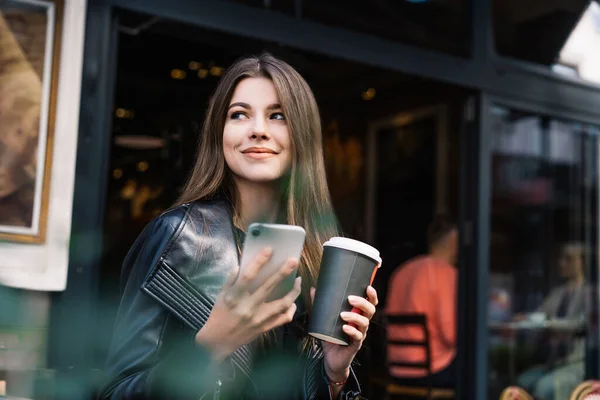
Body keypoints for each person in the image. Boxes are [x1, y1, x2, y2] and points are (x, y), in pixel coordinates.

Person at [98, 54, 378, 400]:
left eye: (278, 115)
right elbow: (113, 394)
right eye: (239, 114)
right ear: (220, 135)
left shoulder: (314, 259)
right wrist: (210, 346)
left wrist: (334, 374)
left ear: (302, 135)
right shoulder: (178, 238)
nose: (257, 129)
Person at [385, 215, 458, 388]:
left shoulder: (402, 270)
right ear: (454, 241)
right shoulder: (447, 274)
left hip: (396, 367)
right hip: (433, 370)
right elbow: (450, 335)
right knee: (480, 367)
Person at [516, 242, 587, 400]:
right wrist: (526, 318)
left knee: (545, 387)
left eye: (568, 259)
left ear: (581, 262)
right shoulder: (558, 292)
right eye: (561, 258)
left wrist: (548, 323)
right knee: (522, 382)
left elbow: (580, 323)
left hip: (577, 362)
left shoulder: (591, 292)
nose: (562, 263)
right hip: (554, 361)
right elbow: (540, 315)